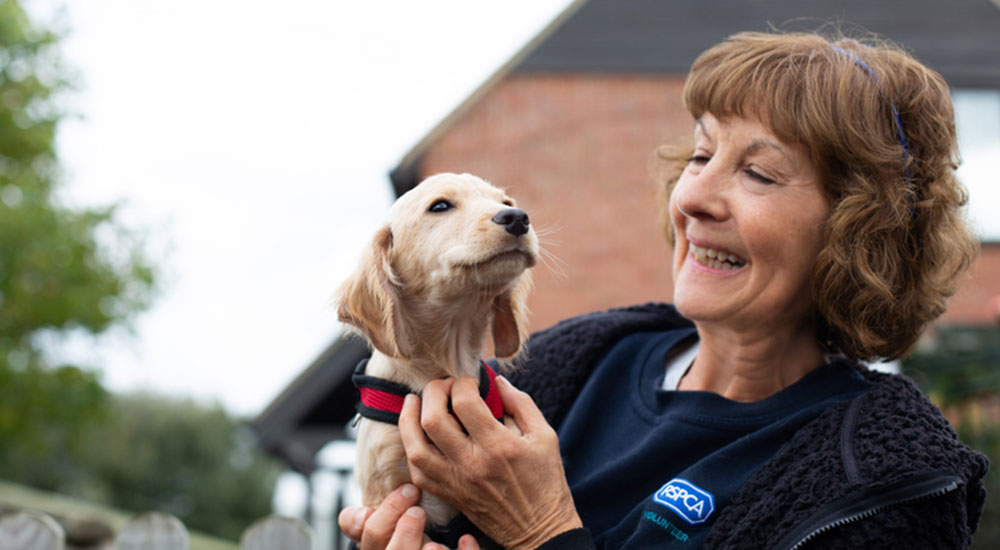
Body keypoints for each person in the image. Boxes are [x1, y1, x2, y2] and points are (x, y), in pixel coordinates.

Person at [339, 30, 989, 550]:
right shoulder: (569, 363)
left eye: (758, 173)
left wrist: (543, 533)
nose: (695, 197)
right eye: (702, 157)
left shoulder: (888, 482)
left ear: (856, 228)